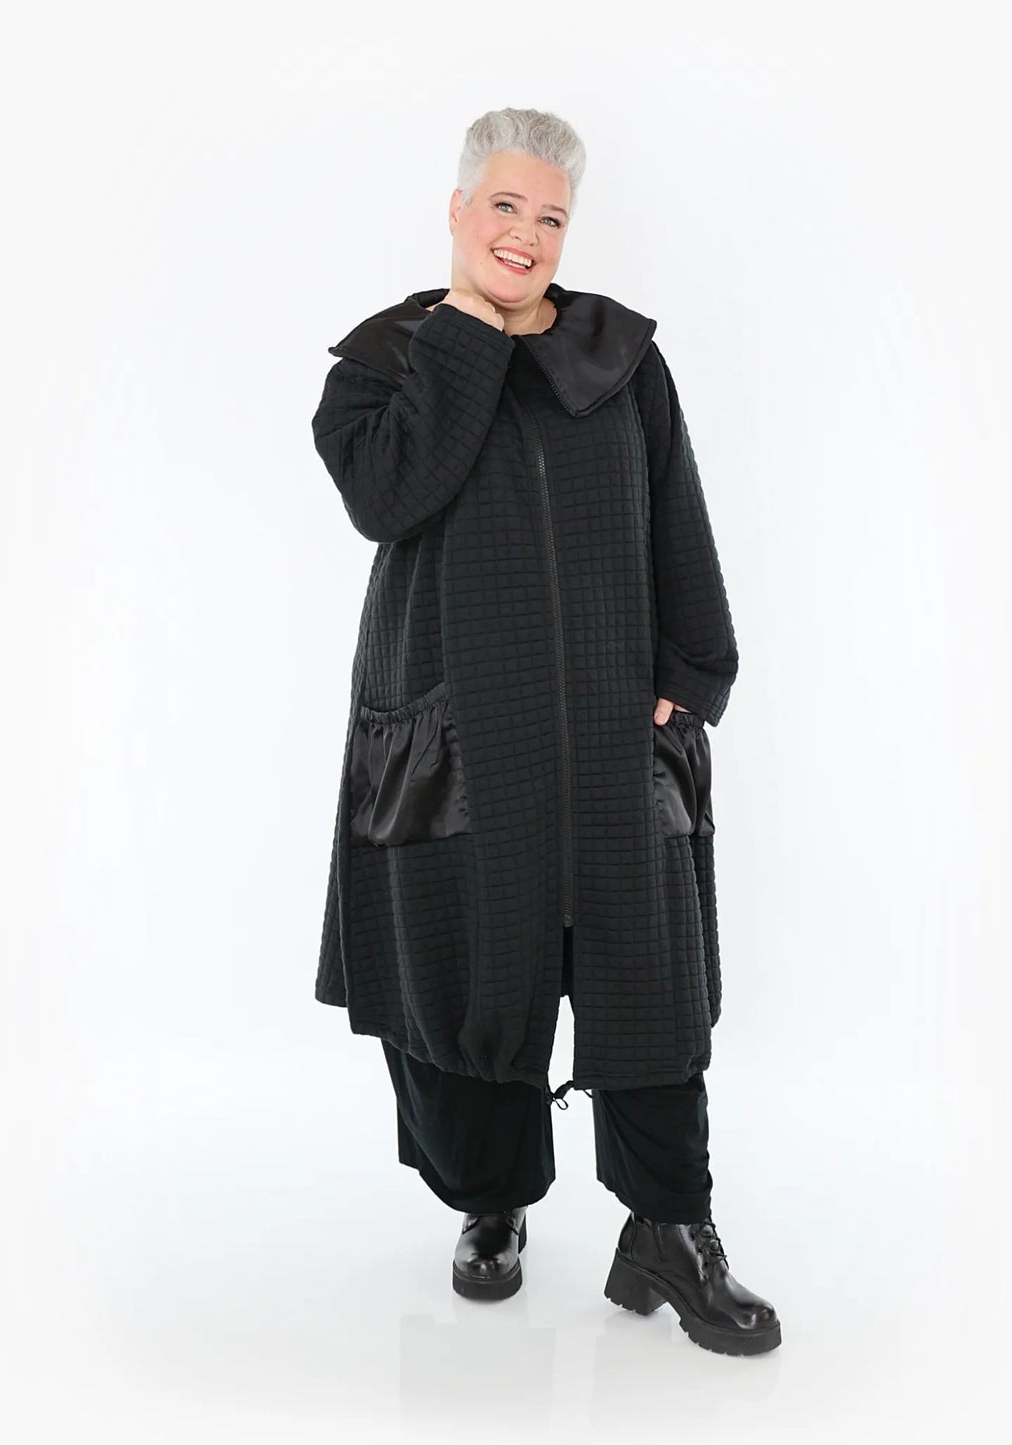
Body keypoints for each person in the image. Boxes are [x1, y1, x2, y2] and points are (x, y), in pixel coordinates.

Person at [310, 108, 781, 1356]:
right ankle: (490, 1198)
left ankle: (670, 1228)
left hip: (615, 728)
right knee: (470, 971)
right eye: (505, 207)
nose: (526, 234)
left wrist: (694, 669)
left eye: (551, 216)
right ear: (458, 210)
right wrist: (468, 333)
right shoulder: (381, 365)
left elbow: (674, 506)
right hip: (458, 727)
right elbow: (389, 495)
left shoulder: (618, 358)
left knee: (647, 979)